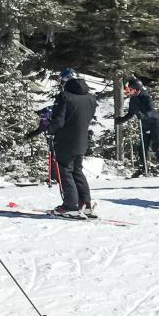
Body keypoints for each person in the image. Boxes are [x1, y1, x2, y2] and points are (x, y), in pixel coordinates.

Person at [48, 68, 98, 216]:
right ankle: (85, 204)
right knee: (77, 171)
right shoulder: (90, 98)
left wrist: (49, 128)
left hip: (65, 140)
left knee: (65, 172)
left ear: (65, 81)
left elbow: (59, 121)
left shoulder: (65, 96)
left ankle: (70, 206)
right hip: (82, 140)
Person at [115, 76, 159, 177]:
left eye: (130, 89)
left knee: (156, 144)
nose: (128, 91)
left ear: (136, 89)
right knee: (142, 147)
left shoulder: (146, 97)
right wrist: (122, 119)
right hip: (144, 125)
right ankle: (143, 167)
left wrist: (144, 115)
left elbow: (151, 110)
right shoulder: (133, 100)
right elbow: (130, 113)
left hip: (154, 123)